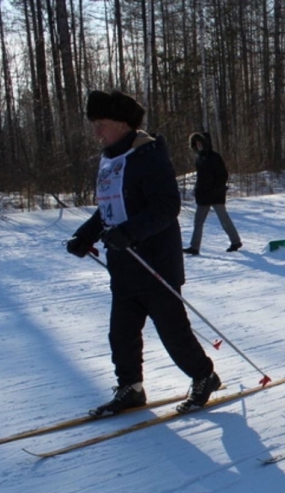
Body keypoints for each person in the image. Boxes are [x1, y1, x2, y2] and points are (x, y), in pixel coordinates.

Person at [66, 90, 221, 416]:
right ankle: (131, 388)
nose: (97, 132)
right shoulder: (112, 158)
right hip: (123, 265)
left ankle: (204, 376)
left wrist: (130, 233)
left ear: (123, 124)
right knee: (121, 333)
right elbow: (110, 209)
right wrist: (85, 235)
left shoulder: (147, 155)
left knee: (173, 332)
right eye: (94, 124)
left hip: (155, 262)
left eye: (101, 124)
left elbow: (167, 207)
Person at [183, 132, 241, 255]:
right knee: (198, 222)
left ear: (206, 143)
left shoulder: (215, 157)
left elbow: (223, 175)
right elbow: (201, 177)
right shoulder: (198, 157)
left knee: (224, 220)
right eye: (196, 143)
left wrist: (217, 189)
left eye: (200, 143)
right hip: (203, 195)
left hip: (216, 195)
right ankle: (194, 247)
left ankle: (235, 241)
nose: (198, 145)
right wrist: (197, 189)